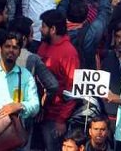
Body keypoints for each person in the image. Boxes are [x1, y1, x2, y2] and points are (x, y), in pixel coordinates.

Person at [38, 9, 80, 151]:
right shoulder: (44, 46)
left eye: (43, 26)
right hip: (41, 113)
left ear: (53, 29)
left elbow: (73, 88)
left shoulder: (69, 52)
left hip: (55, 116)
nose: (40, 29)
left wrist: (62, 119)